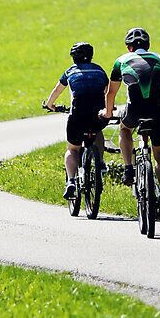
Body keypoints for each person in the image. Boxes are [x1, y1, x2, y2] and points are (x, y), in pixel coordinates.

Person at [105, 26, 160, 218]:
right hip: (158, 111)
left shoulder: (121, 60)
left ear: (128, 47)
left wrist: (107, 112)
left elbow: (111, 92)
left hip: (135, 110)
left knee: (124, 129)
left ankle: (128, 168)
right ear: (148, 45)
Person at [44, 42, 110, 204]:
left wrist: (50, 105)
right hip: (98, 114)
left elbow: (57, 90)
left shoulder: (70, 71)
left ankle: (71, 181)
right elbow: (108, 91)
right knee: (98, 132)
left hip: (77, 115)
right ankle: (100, 162)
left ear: (74, 58)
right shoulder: (99, 70)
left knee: (73, 149)